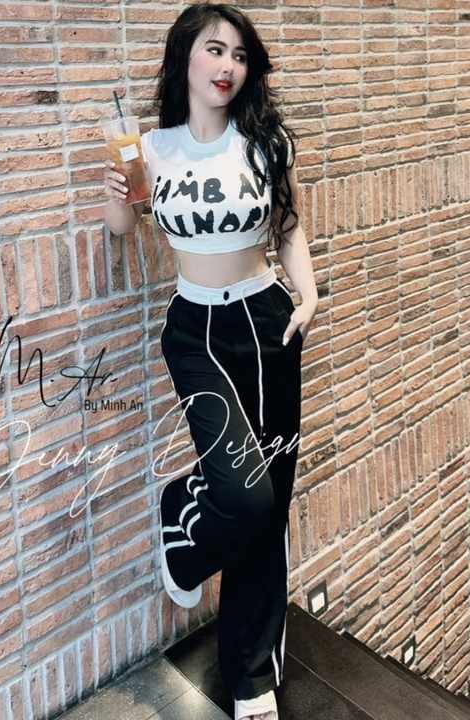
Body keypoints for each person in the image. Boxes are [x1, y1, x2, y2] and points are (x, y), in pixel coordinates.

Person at [103, 4, 318, 719]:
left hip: (266, 322)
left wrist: (309, 295)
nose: (228, 66)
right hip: (194, 328)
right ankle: (185, 526)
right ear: (185, 59)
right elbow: (122, 229)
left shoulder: (265, 143)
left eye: (240, 55)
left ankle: (252, 678)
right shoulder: (152, 149)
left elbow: (289, 230)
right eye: (215, 50)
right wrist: (118, 199)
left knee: (270, 501)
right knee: (243, 495)